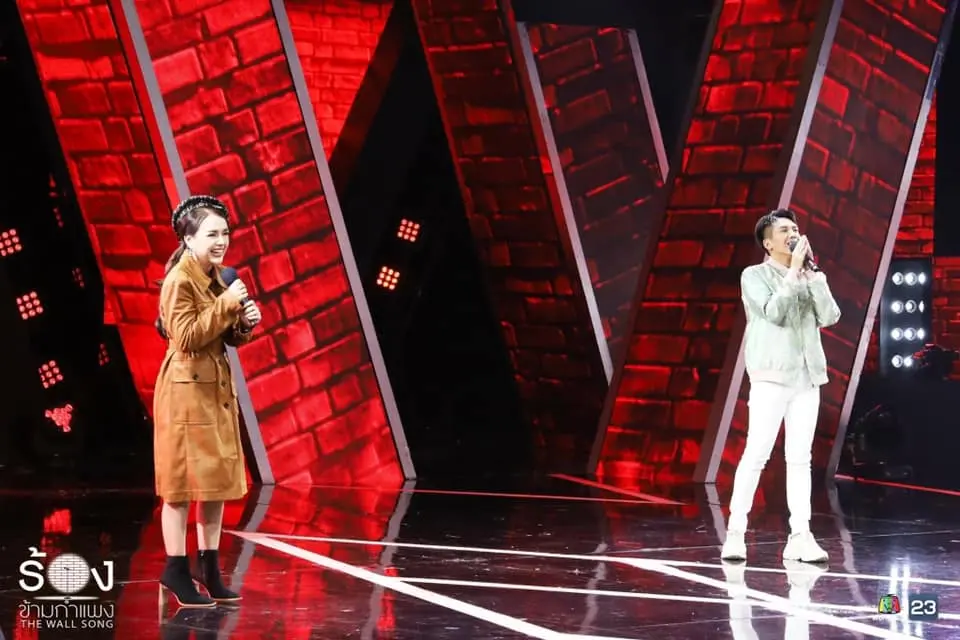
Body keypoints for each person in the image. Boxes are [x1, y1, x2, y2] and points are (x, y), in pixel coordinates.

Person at [153, 195, 262, 607]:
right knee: (180, 486)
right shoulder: (179, 281)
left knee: (213, 483)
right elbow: (185, 337)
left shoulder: (219, 276)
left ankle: (209, 568)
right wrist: (228, 303)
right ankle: (175, 569)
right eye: (212, 234)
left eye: (225, 233)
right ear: (189, 238)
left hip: (213, 388)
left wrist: (244, 324)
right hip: (184, 391)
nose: (222, 241)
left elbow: (223, 334)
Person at [721, 208, 840, 564]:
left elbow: (831, 316)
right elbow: (773, 312)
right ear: (768, 243)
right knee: (757, 453)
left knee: (800, 458)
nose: (793, 234)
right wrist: (792, 274)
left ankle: (800, 536)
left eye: (795, 228)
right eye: (784, 230)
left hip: (807, 378)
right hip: (772, 377)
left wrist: (813, 277)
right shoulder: (754, 275)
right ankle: (735, 533)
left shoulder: (807, 275)